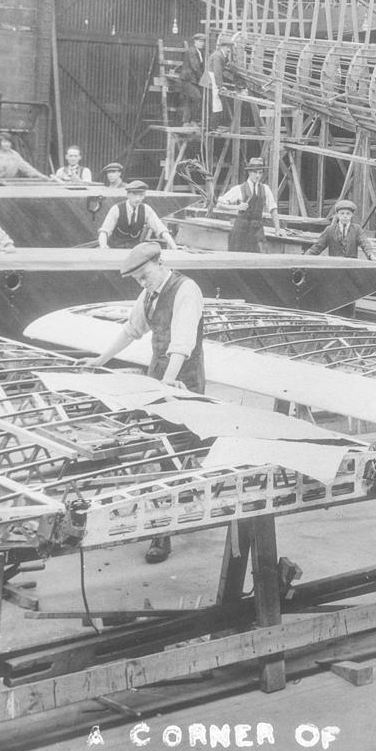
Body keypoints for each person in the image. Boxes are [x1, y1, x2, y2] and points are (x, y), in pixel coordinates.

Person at [80, 242, 208, 563]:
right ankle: (183, 496)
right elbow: (132, 329)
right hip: (158, 378)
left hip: (183, 381)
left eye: (145, 275)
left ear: (159, 262)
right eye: (137, 279)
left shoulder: (186, 290)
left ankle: (161, 534)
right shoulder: (148, 295)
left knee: (172, 452)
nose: (142, 282)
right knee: (166, 451)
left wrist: (170, 381)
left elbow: (182, 341)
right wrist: (101, 359)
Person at [216, 156, 280, 252]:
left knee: (260, 257)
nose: (257, 176)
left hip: (257, 230)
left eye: (260, 172)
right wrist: (237, 207)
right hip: (240, 230)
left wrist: (277, 229)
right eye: (255, 172)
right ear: (249, 172)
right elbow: (219, 205)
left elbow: (273, 209)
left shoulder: (265, 189)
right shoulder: (239, 188)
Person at [98, 180, 175, 251]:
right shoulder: (116, 209)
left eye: (141, 195)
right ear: (128, 194)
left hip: (134, 251)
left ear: (144, 196)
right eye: (134, 195)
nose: (138, 199)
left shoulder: (146, 209)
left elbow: (161, 229)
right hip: (115, 249)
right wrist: (103, 246)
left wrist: (174, 246)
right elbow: (104, 231)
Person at [307, 199, 371, 258]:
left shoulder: (357, 229)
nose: (345, 216)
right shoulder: (330, 230)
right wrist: (305, 257)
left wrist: (370, 255)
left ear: (352, 215)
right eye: (342, 213)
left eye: (348, 213)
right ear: (337, 215)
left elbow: (365, 243)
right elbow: (318, 247)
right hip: (334, 266)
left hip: (351, 266)